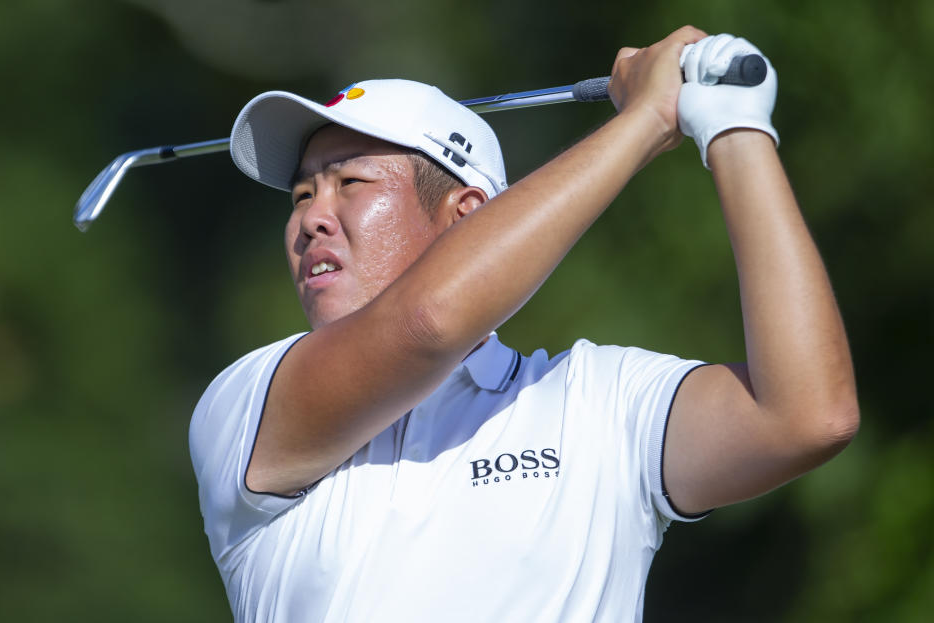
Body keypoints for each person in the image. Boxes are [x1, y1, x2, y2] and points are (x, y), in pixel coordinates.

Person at [190, 27, 859, 622]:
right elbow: (427, 321)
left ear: (467, 213)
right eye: (303, 194)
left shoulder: (599, 400)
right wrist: (645, 121)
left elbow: (805, 416)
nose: (310, 218)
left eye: (351, 183)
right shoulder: (246, 402)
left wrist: (734, 129)